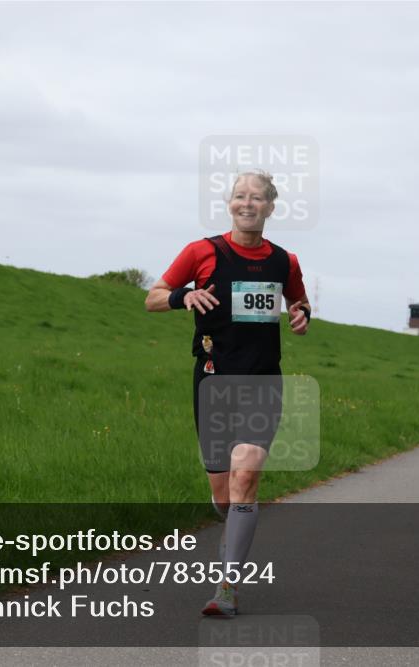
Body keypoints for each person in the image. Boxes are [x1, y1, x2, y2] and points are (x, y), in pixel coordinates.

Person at [145, 171, 310, 616]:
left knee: (246, 477)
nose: (247, 203)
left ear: (270, 207)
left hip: (263, 382)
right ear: (230, 203)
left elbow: (298, 300)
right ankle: (232, 520)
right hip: (214, 382)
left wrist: (301, 314)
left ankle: (227, 588)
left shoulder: (285, 261)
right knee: (224, 495)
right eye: (240, 196)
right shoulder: (201, 252)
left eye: (257, 197)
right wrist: (183, 297)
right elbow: (153, 296)